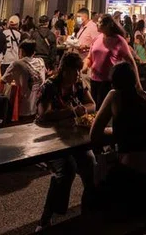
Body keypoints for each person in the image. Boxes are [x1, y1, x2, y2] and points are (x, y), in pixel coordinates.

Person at [89, 62, 146, 207]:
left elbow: (94, 134)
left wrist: (113, 132)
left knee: (95, 187)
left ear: (113, 81)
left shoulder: (114, 95)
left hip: (133, 170)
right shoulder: (145, 96)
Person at [36, 52, 96, 229]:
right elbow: (44, 115)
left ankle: (90, 209)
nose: (78, 74)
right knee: (67, 169)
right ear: (64, 70)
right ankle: (46, 219)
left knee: (91, 163)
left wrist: (81, 110)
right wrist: (70, 112)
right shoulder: (49, 86)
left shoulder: (78, 84)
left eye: (79, 70)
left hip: (74, 136)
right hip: (48, 138)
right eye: (74, 70)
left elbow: (92, 104)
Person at [85, 14, 140, 111]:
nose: (97, 24)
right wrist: (85, 66)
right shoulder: (97, 38)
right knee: (94, 109)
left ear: (108, 25)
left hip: (108, 82)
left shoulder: (119, 40)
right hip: (94, 81)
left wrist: (138, 83)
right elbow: (89, 57)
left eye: (100, 22)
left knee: (104, 111)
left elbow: (131, 62)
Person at [1, 40, 46, 119]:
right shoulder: (41, 62)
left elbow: (3, 81)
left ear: (22, 51)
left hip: (24, 109)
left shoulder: (17, 64)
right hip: (39, 107)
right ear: (34, 52)